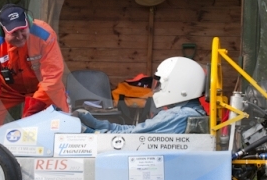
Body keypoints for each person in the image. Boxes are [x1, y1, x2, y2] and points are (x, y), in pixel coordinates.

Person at [0, 4, 69, 132]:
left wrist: (35, 105)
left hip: (45, 87)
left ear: (29, 24)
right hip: (8, 89)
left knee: (63, 120)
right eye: (14, 33)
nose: (20, 36)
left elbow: (52, 76)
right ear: (1, 32)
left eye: (22, 30)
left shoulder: (45, 35)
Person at [76, 57, 207, 133]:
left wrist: (89, 132)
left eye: (160, 84)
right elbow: (138, 130)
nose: (157, 89)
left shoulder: (178, 116)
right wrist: (98, 124)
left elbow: (132, 136)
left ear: (179, 86)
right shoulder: (187, 112)